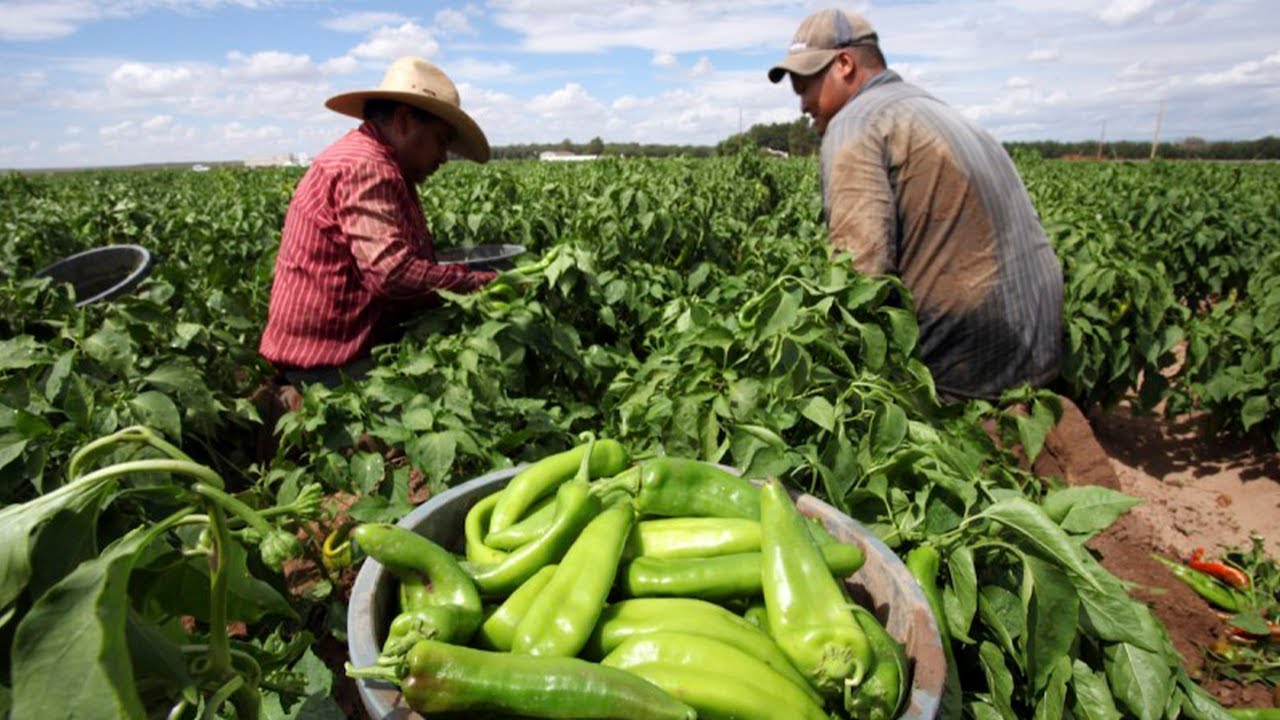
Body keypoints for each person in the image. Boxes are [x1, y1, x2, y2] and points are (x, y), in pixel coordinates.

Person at [768, 9, 1063, 402]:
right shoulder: (937, 110)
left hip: (970, 368)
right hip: (1041, 345)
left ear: (844, 64)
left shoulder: (856, 124)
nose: (802, 103)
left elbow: (861, 270)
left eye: (804, 83)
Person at [259, 56, 498, 389]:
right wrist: (484, 283)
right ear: (402, 121)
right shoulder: (367, 166)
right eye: (441, 140)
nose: (443, 158)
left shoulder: (370, 159)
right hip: (333, 367)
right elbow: (393, 274)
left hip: (332, 353)